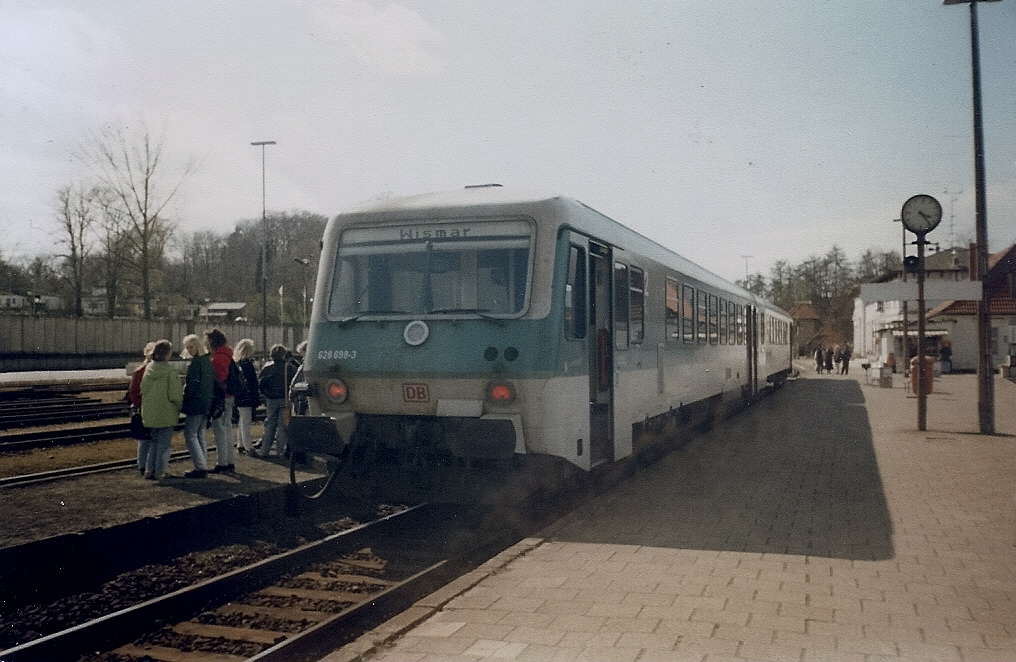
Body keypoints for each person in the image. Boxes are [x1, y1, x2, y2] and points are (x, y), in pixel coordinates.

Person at [140, 339, 183, 480]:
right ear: (167, 354)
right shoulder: (170, 372)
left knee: (154, 442)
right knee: (164, 444)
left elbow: (142, 389)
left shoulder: (148, 369)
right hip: (166, 412)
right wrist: (180, 407)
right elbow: (175, 395)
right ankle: (160, 471)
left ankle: (149, 470)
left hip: (150, 412)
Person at [180, 334, 214, 478]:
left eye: (191, 347)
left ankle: (200, 467)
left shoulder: (195, 363)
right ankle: (202, 463)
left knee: (190, 434)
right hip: (206, 402)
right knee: (200, 434)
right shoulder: (207, 361)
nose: (189, 350)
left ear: (197, 346)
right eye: (187, 347)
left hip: (195, 403)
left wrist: (184, 398)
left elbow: (192, 386)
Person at [206, 328, 236, 474]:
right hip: (229, 396)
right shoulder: (228, 354)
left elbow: (220, 378)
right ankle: (230, 461)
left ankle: (222, 462)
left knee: (219, 430)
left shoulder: (218, 358)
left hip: (220, 397)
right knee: (227, 428)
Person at [256, 343, 293, 458]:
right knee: (282, 426)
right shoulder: (290, 368)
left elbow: (261, 384)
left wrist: (266, 394)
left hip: (271, 400)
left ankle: (264, 450)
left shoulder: (267, 368)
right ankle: (281, 452)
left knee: (269, 424)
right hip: (285, 399)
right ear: (284, 354)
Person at [128, 341, 156, 475]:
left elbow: (133, 392)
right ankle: (145, 465)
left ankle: (143, 465)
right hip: (147, 407)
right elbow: (134, 392)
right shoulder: (143, 370)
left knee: (145, 439)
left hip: (145, 406)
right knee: (149, 439)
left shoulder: (140, 370)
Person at [232, 338, 261, 455]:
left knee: (242, 420)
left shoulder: (237, 364)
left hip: (239, 396)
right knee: (246, 421)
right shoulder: (247, 364)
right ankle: (248, 446)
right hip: (247, 396)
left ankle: (241, 444)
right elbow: (252, 382)